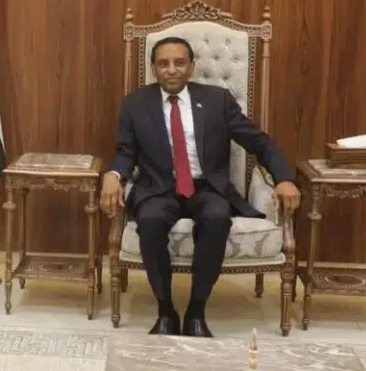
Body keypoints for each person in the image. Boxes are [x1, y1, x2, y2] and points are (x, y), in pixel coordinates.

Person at [100, 37, 300, 337]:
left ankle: (196, 311)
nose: (171, 70)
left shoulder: (218, 101)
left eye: (179, 63)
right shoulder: (135, 104)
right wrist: (113, 174)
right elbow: (125, 152)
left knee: (217, 218)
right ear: (154, 69)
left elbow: (259, 142)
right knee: (150, 220)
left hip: (207, 187)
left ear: (192, 67)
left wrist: (284, 178)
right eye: (164, 64)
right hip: (158, 188)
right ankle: (166, 311)